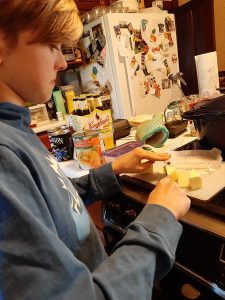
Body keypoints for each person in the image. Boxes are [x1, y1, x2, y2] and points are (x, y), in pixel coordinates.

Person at [0, 1, 190, 299]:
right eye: (52, 45)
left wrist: (113, 169)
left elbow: (51, 203)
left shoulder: (15, 129)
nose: (62, 63)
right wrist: (159, 219)